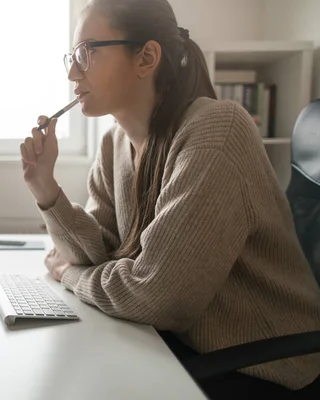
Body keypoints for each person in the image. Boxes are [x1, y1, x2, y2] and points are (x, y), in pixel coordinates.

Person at [19, 0, 320, 398]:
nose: (73, 71)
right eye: (72, 56)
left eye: (87, 52)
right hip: (182, 344)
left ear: (146, 57)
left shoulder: (217, 131)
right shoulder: (113, 145)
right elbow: (98, 254)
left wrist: (68, 276)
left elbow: (157, 297)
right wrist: (46, 190)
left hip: (262, 365)